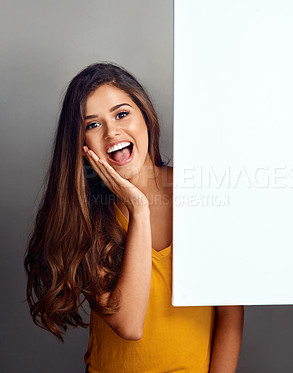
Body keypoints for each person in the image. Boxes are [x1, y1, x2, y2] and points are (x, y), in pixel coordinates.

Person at [24, 62, 244, 372]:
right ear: (81, 143)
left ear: (145, 116)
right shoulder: (86, 216)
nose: (112, 131)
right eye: (93, 124)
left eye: (121, 114)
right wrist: (138, 209)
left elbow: (230, 313)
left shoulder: (201, 194)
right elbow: (129, 325)